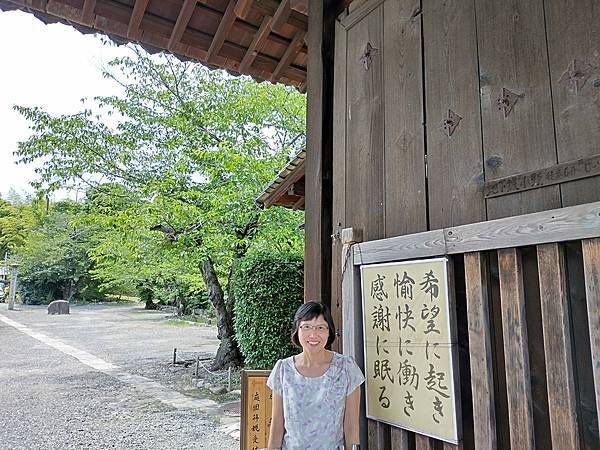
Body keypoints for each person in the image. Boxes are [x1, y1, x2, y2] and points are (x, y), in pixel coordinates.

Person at [267, 301, 365, 449]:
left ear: (329, 331)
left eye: (320, 328)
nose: (313, 335)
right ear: (297, 329)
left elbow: (351, 427)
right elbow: (277, 426)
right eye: (306, 327)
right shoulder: (283, 369)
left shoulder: (346, 368)